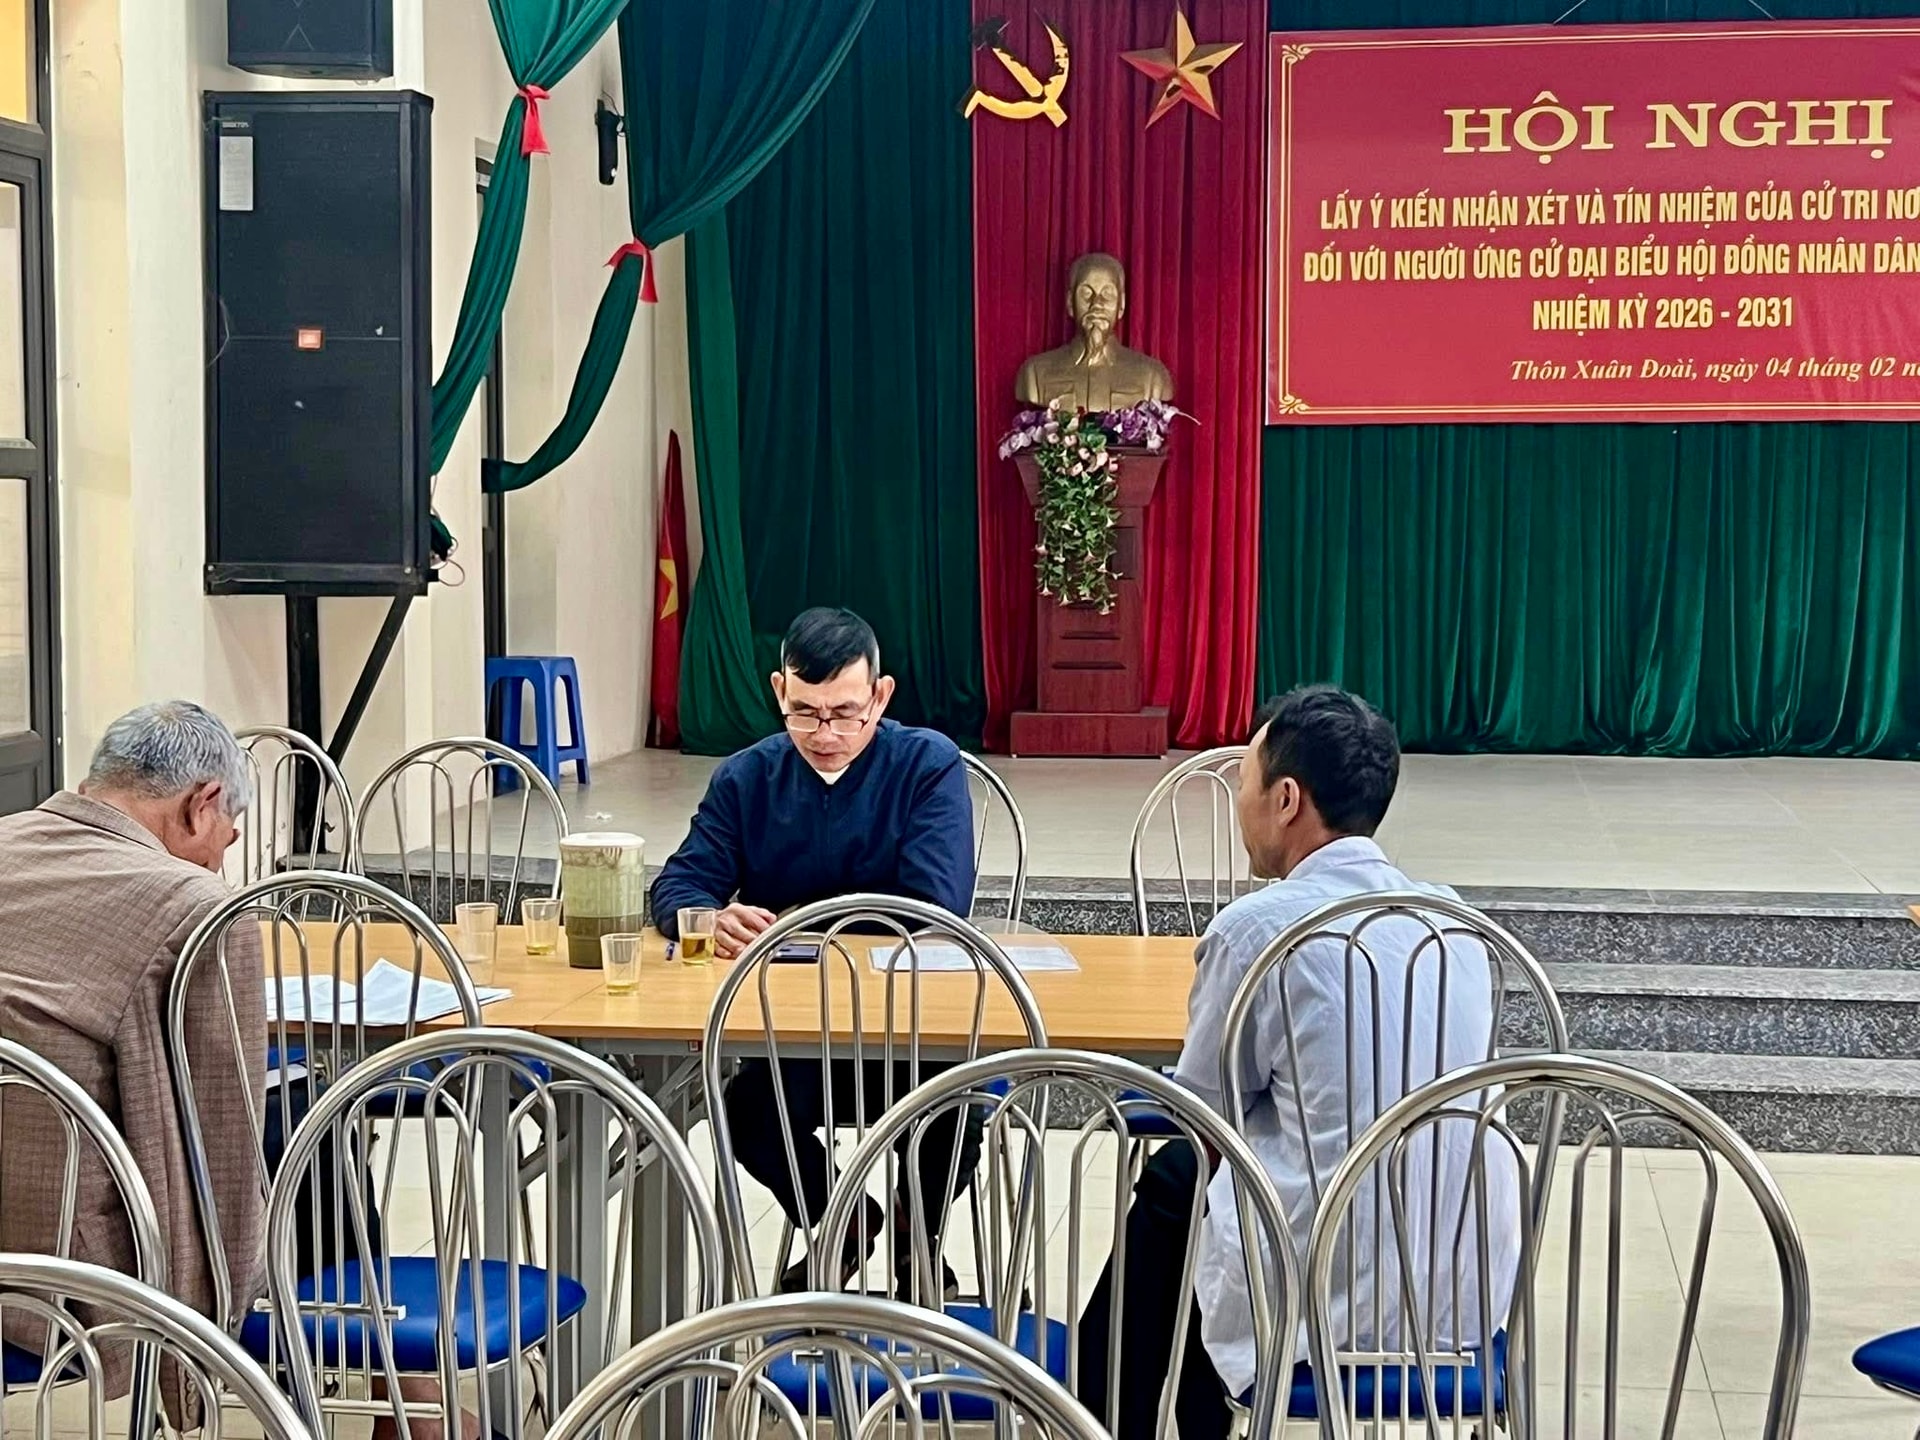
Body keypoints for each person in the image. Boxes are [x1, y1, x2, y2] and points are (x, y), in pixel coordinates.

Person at [1077, 686, 1520, 1438]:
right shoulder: (1454, 926)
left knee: (1174, 1181)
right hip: (1460, 1287)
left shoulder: (1259, 931)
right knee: (1192, 1192)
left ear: (1286, 800)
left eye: (1242, 783)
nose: (1237, 804)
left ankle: (1107, 1413)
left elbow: (1202, 1114)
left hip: (1316, 1289)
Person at [650, 607, 980, 1293]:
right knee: (744, 1110)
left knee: (954, 1114)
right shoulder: (748, 777)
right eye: (804, 713)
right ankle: (842, 1218)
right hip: (796, 1034)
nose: (825, 735)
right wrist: (708, 917)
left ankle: (918, 1242)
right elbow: (679, 883)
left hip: (912, 1028)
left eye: (845, 713)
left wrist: (796, 924)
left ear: (880, 697)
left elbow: (936, 902)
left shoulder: (925, 764)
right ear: (779, 691)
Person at [0, 701, 262, 1419]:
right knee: (319, 1148)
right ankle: (403, 1399)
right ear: (202, 803)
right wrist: (209, 1336)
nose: (220, 860)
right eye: (227, 836)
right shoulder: (195, 905)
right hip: (65, 1274)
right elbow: (221, 1136)